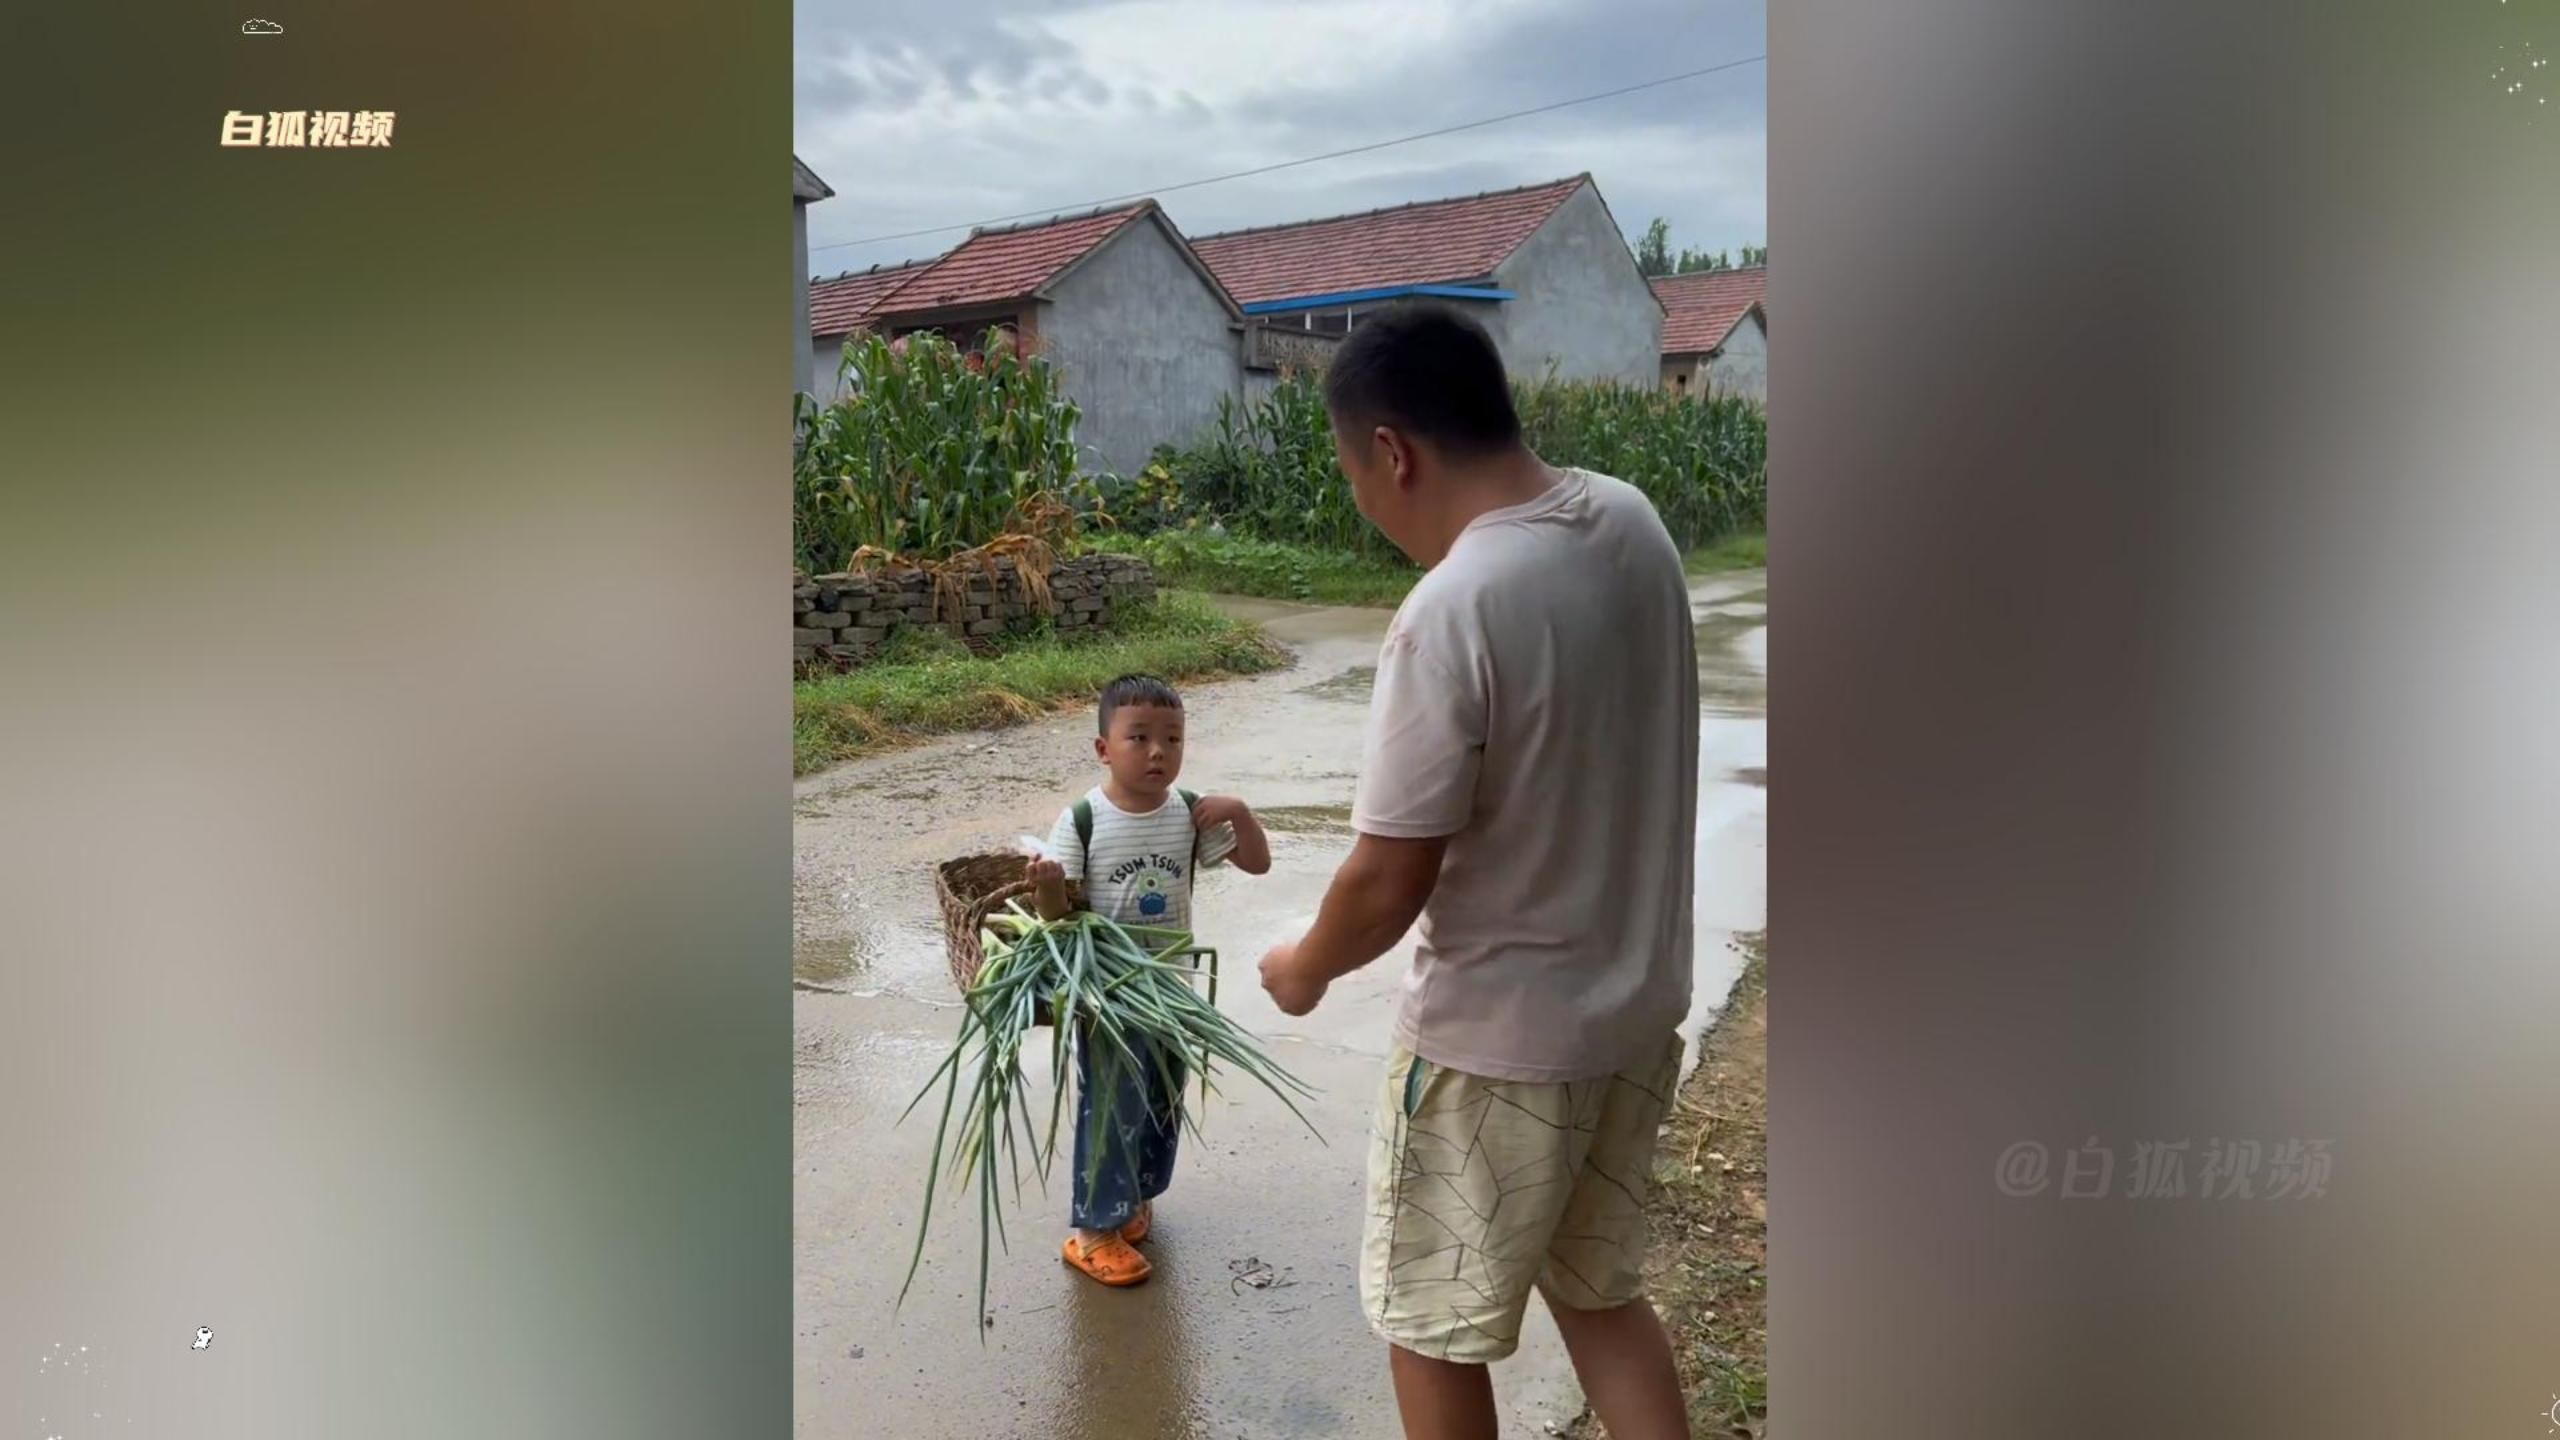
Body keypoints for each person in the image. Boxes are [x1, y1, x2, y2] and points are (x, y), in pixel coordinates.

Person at [1257, 305, 1700, 1440]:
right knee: (1601, 1293)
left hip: (1495, 1049)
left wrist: (1300, 968)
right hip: (1633, 1017)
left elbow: (1386, 879)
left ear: (1392, 452)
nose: (1361, 497)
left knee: (1428, 1323)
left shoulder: (1453, 607)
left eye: (1354, 470)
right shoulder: (1630, 521)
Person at [1026, 673, 1271, 1287]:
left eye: (1172, 739)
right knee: (1111, 1106)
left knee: (1161, 1102)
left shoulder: (1188, 812)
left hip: (1173, 989)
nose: (1158, 752)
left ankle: (1134, 1196)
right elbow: (1057, 917)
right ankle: (1092, 1231)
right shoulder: (1083, 818)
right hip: (1108, 994)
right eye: (1138, 738)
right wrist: (1050, 886)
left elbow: (1258, 863)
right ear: (1104, 748)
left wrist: (1239, 811)